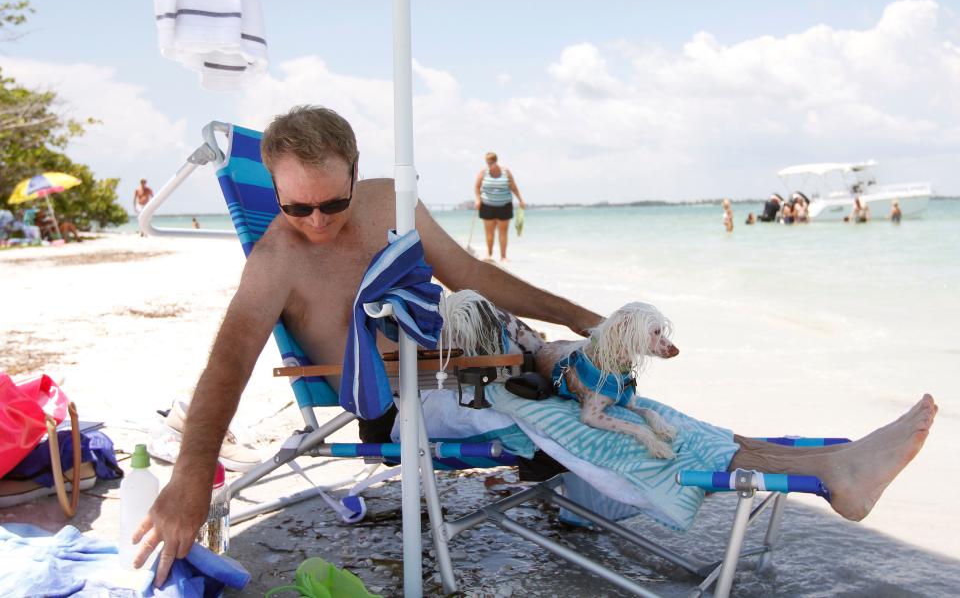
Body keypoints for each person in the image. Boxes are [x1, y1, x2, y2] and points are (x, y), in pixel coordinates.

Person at [132, 106, 937, 587]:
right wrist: (188, 480)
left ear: (357, 174)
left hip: (473, 370)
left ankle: (829, 469)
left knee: (618, 404)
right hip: (402, 399)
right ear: (274, 189)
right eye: (296, 206)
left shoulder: (386, 202)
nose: (317, 220)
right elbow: (229, 361)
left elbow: (475, 272)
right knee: (587, 425)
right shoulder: (277, 257)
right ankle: (828, 470)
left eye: (331, 201)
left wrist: (584, 321)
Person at [474, 151, 525, 262]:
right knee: (489, 232)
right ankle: (489, 254)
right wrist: (478, 200)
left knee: (503, 232)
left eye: (490, 162)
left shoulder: (505, 172)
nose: (489, 165)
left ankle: (503, 256)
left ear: (496, 161)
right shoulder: (483, 172)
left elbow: (513, 187)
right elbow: (477, 187)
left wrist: (520, 200)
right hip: (487, 206)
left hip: (504, 206)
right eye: (487, 163)